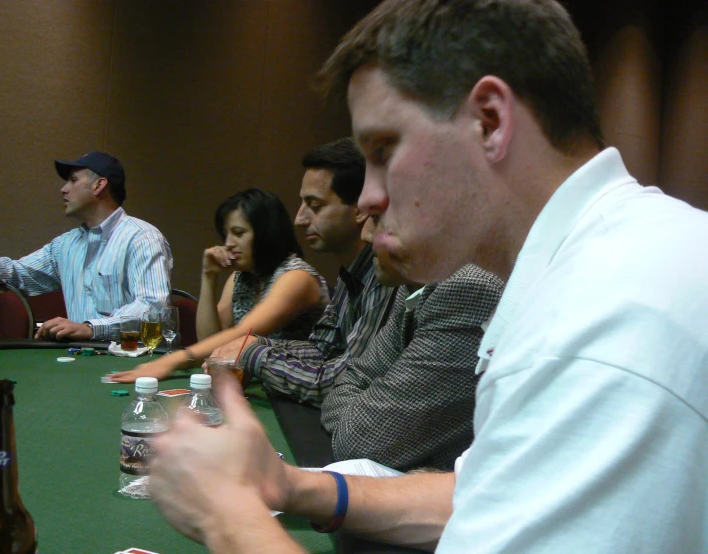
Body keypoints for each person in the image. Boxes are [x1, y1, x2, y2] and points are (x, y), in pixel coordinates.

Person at [151, 1, 708, 552]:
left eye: (383, 150)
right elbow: (487, 496)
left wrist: (229, 516)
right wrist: (290, 486)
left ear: (489, 121)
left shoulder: (599, 322)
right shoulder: (598, 256)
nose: (368, 197)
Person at [209, 138, 396, 406]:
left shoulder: (386, 278)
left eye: (315, 206)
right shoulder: (351, 274)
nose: (299, 218)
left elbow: (340, 383)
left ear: (362, 209)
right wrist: (254, 345)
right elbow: (322, 350)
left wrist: (253, 353)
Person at [321, 216, 503, 471]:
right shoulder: (416, 286)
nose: (365, 235)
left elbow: (360, 441)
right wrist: (357, 415)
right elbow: (352, 376)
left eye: (378, 218)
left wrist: (357, 417)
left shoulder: (467, 287)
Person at [110, 188, 330, 383]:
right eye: (226, 234)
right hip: (263, 383)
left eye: (239, 233)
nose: (228, 244)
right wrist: (209, 277)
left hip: (302, 388)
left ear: (267, 233)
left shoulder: (296, 276)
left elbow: (244, 334)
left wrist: (171, 361)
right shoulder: (240, 277)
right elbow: (210, 343)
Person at [0, 151, 172, 341]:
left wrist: (90, 328)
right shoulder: (65, 245)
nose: (63, 189)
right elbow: (20, 273)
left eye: (73, 180)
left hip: (134, 362)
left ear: (99, 185)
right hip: (80, 358)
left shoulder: (142, 238)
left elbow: (153, 309)